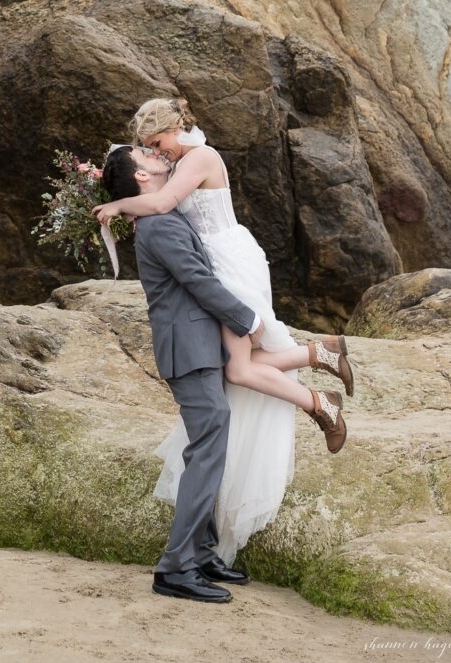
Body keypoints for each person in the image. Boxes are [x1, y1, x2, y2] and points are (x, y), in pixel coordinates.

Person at [95, 98, 353, 567]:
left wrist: (115, 204)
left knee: (238, 372)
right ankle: (318, 364)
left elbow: (163, 202)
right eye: (150, 152)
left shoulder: (194, 161)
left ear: (171, 129)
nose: (158, 154)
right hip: (217, 277)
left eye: (157, 145)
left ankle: (320, 389)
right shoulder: (166, 195)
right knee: (239, 373)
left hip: (228, 262)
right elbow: (165, 216)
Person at [100, 144, 261, 603]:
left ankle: (202, 551)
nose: (156, 156)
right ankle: (175, 567)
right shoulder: (158, 226)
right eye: (145, 156)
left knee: (207, 446)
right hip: (187, 350)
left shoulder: (159, 216)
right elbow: (197, 280)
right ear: (142, 178)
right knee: (208, 445)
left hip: (197, 346)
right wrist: (246, 319)